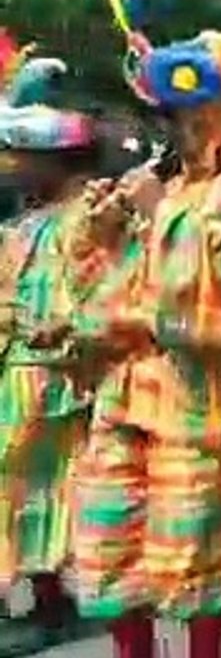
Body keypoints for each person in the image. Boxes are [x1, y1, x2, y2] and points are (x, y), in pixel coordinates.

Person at [68, 30, 221, 658]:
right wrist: (103, 229)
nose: (186, 126)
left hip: (198, 407)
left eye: (201, 109)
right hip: (121, 401)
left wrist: (173, 225)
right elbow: (87, 293)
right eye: (173, 114)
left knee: (196, 574)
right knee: (108, 562)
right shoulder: (156, 185)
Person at [0, 63, 100, 639]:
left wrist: (54, 330)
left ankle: (44, 601)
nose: (11, 165)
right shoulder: (26, 223)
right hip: (21, 370)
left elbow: (91, 300)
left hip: (53, 376)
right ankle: (41, 598)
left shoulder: (88, 219)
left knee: (36, 491)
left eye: (19, 154)